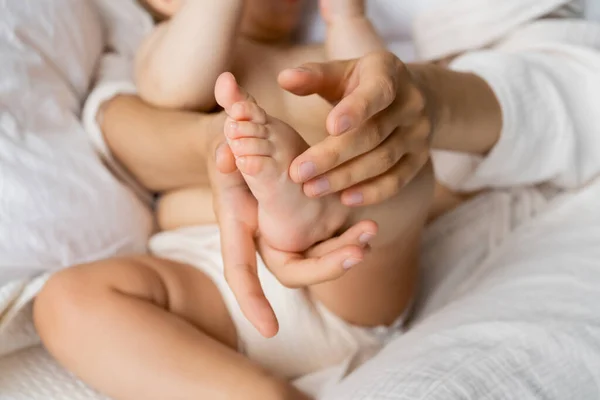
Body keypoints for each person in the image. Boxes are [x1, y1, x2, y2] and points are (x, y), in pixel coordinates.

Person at [3, 0, 600, 399]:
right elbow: (174, 86)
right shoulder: (144, 53)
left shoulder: (312, 57)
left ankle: (306, 203)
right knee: (67, 301)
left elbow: (383, 85)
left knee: (390, 166)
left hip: (355, 262)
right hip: (216, 284)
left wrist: (346, 15)